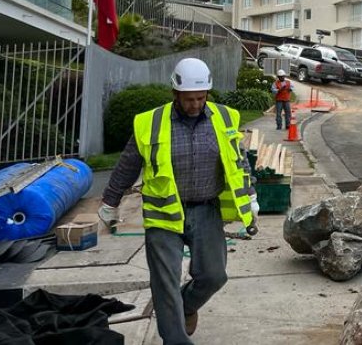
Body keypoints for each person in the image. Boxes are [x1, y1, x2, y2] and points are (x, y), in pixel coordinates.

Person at [98, 58, 258, 345]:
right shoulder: (150, 122)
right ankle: (175, 339)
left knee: (213, 276)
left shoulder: (224, 118)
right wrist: (110, 203)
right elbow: (127, 165)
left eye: (200, 97)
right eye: (188, 99)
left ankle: (185, 306)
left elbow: (239, 161)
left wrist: (251, 194)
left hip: (206, 209)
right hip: (163, 213)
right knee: (165, 282)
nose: (195, 105)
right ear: (175, 93)